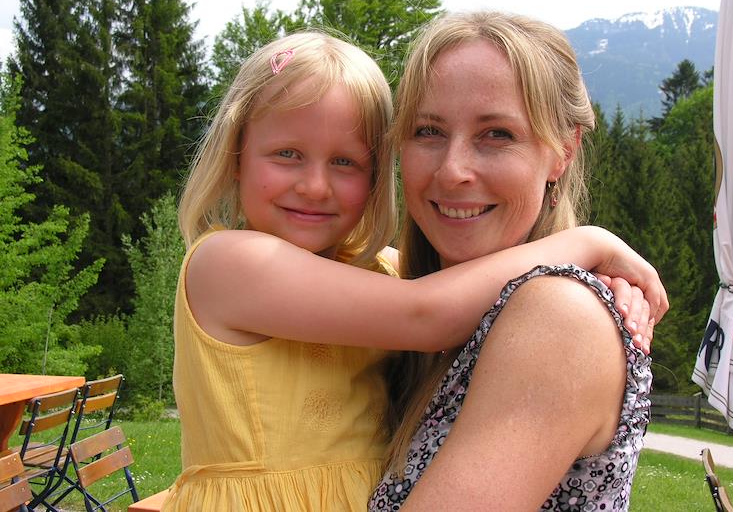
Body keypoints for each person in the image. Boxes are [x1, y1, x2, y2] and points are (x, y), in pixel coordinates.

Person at [162, 30, 666, 511]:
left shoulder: (387, 272)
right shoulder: (229, 261)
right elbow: (427, 311)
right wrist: (587, 244)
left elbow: (449, 296)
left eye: (345, 162)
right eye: (287, 154)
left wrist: (587, 274)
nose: (315, 186)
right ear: (235, 155)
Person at [369, 11, 658, 511]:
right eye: (428, 131)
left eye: (497, 134)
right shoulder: (408, 303)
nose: (452, 170)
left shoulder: (560, 318)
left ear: (563, 151)